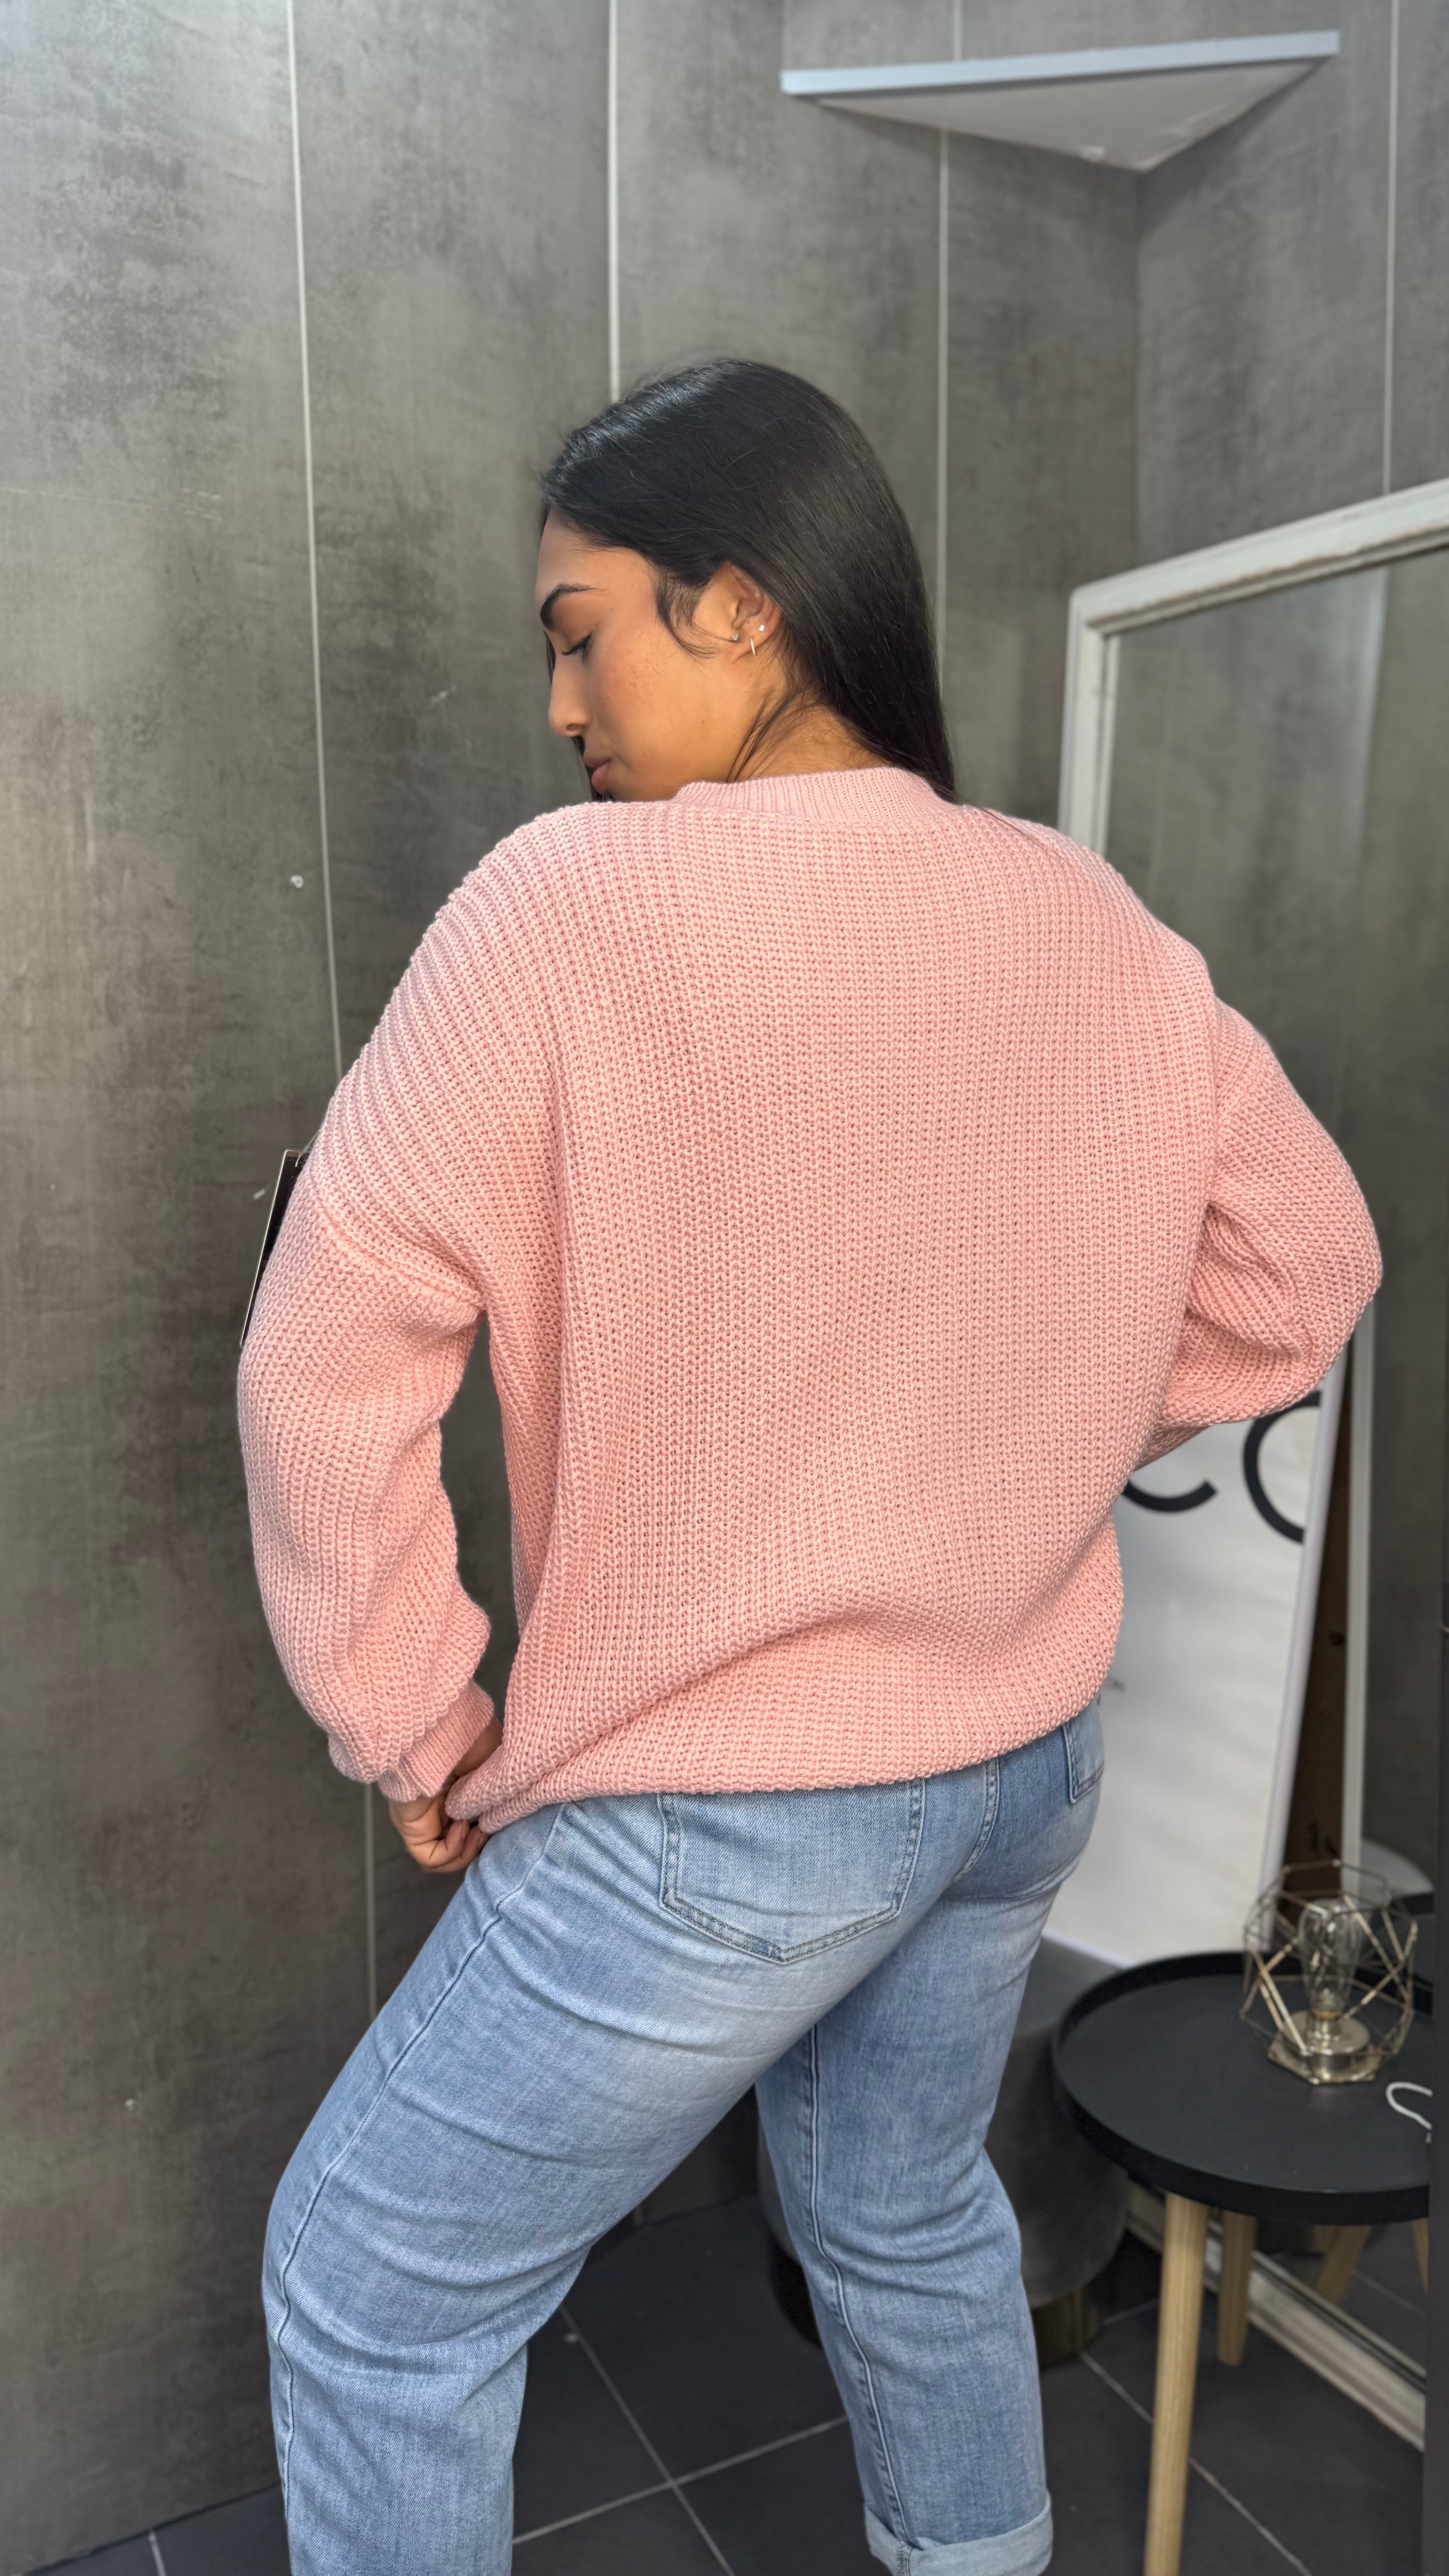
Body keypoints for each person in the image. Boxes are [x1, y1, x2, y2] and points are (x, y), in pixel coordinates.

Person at [238, 359, 1380, 2576]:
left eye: (584, 629)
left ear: (744, 601)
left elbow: (323, 1360)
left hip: (730, 1809)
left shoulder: (566, 908)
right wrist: (1026, 1440)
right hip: (1019, 1760)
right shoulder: (1081, 910)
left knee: (375, 2292)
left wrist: (415, 1716)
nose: (561, 701)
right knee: (907, 2212)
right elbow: (1303, 1263)